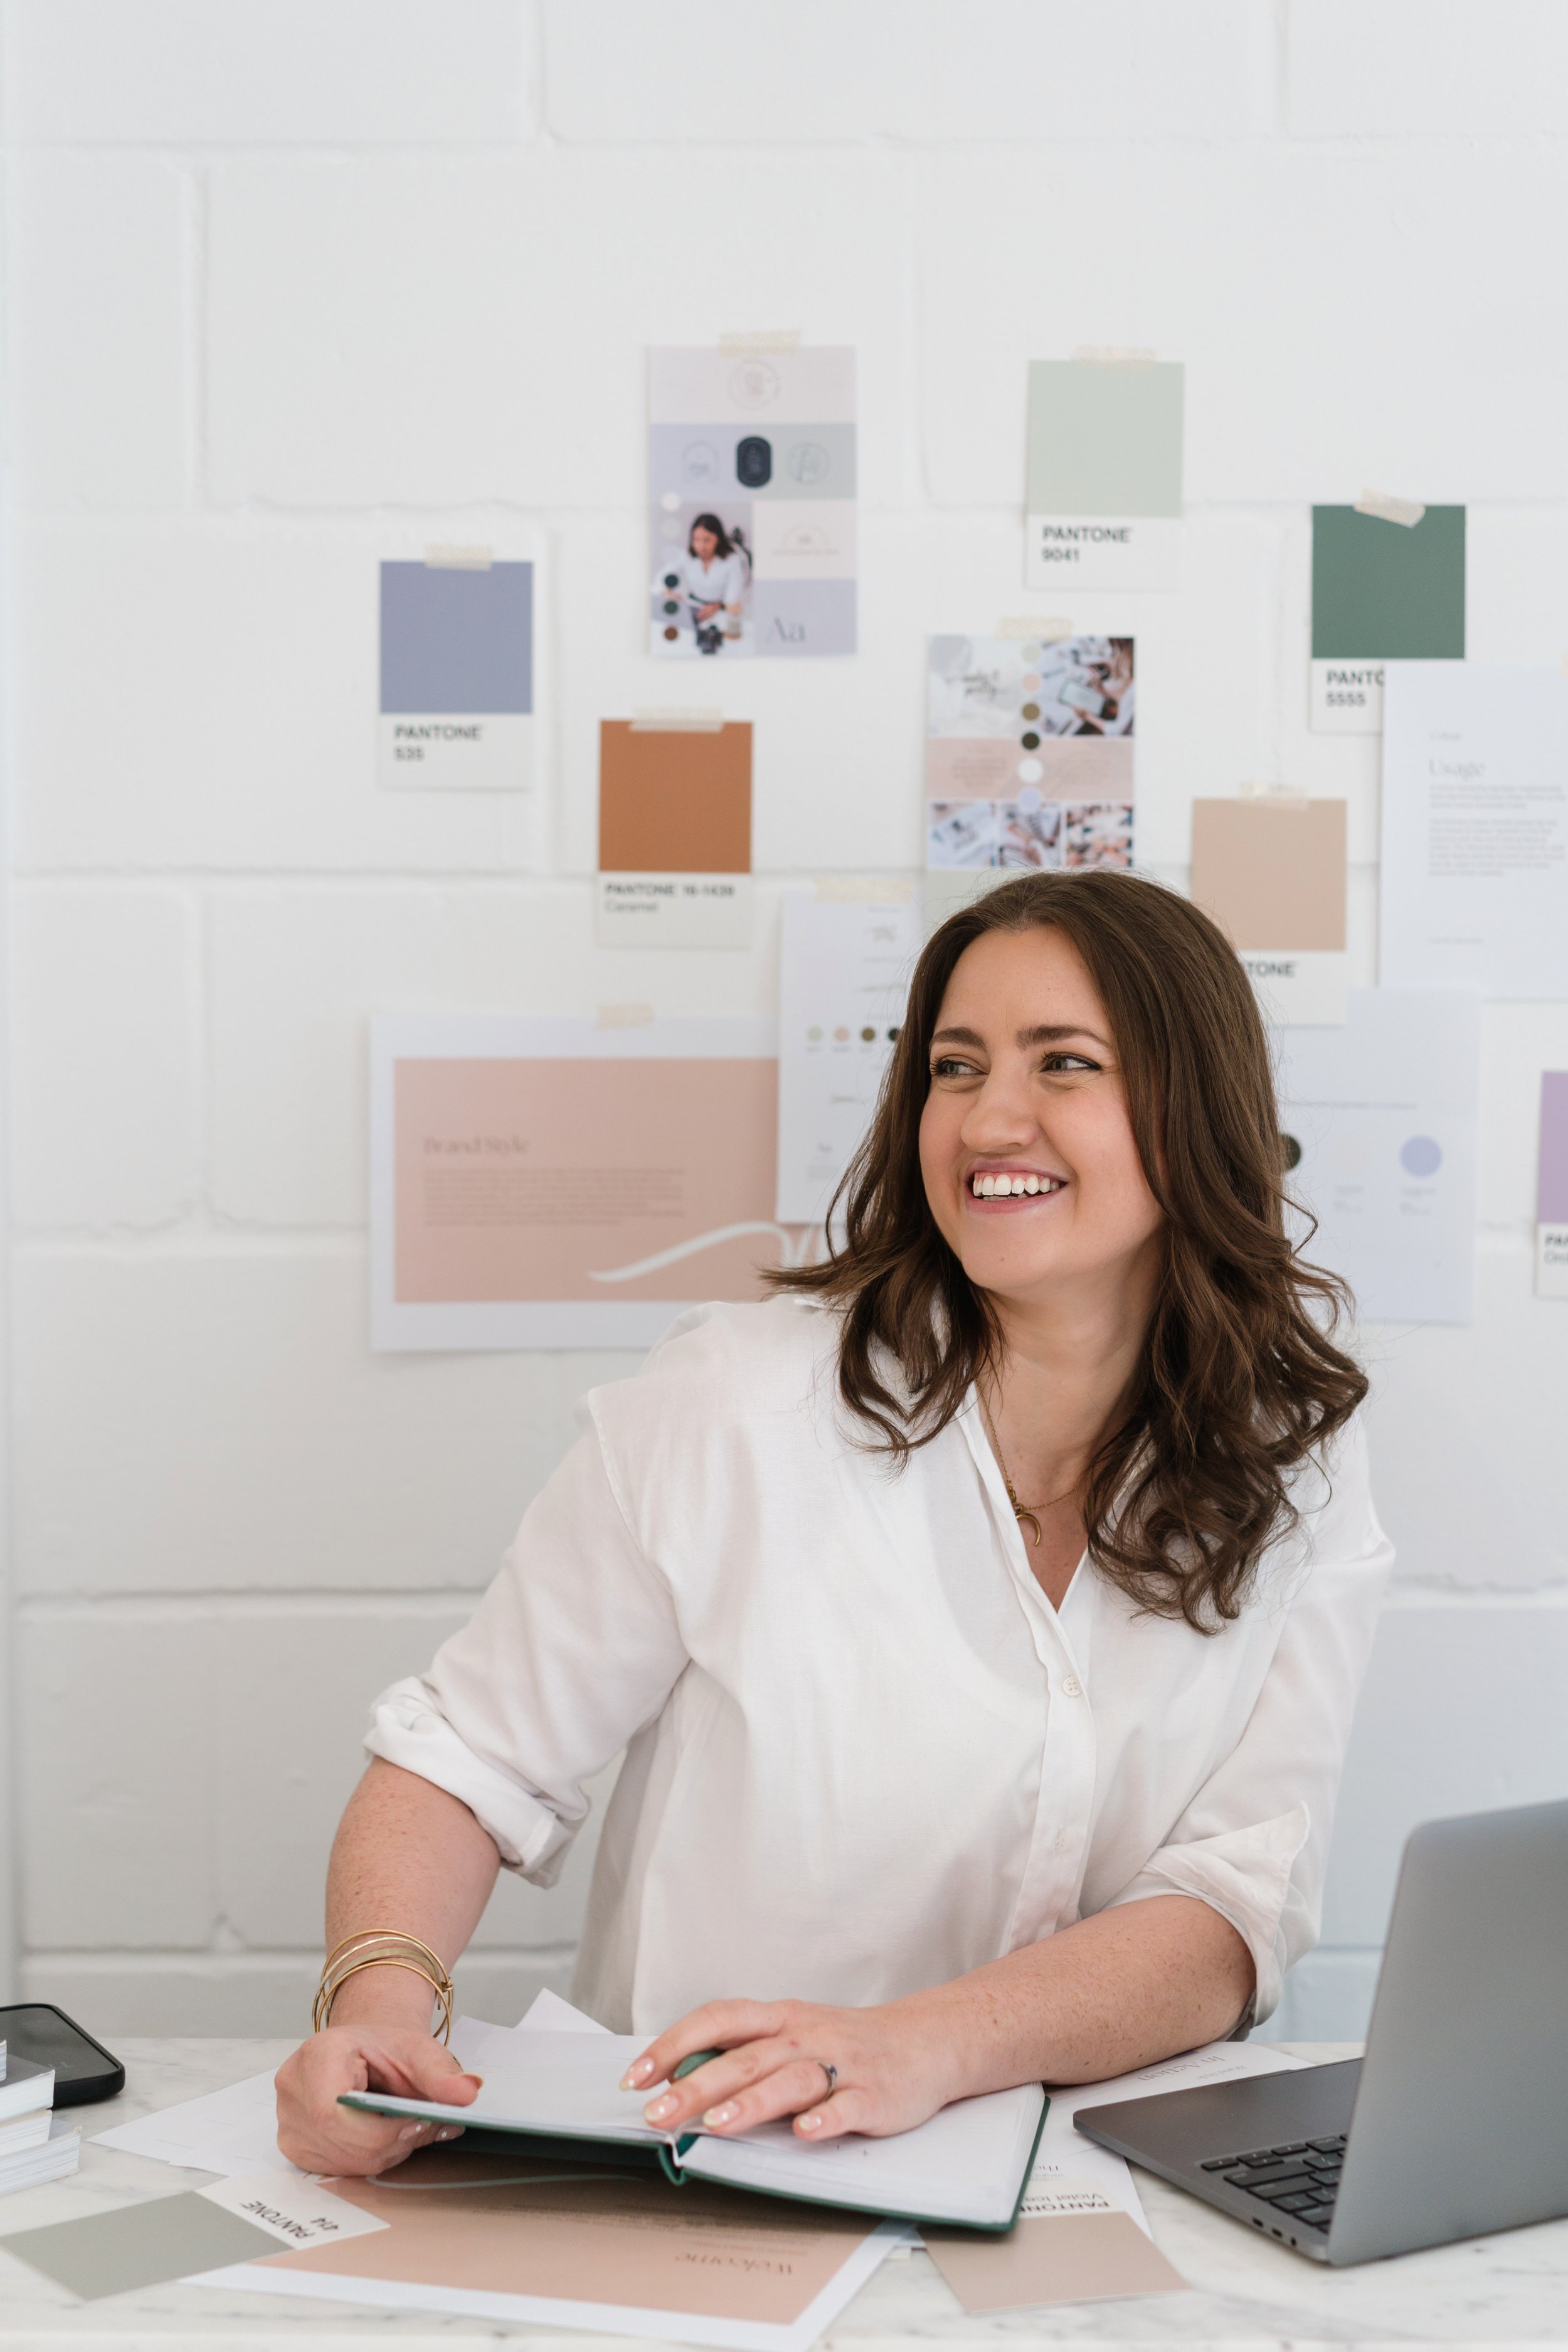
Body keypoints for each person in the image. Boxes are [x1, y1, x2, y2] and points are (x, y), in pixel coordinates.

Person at [277, 871, 1391, 2178]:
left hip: (1088, 2181)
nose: (990, 1119)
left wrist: (918, 2046)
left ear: (1192, 1110)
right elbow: (465, 1761)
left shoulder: (1293, 1458)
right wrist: (379, 2007)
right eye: (954, 1067)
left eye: (1064, 1064)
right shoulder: (735, 1405)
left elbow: (1228, 1908)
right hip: (722, 2171)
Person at [654, 512, 748, 653]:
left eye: (707, 540)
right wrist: (666, 590)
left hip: (720, 607)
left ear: (718, 539)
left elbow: (734, 596)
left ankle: (738, 541)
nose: (701, 546)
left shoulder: (732, 560)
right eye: (696, 540)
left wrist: (718, 606)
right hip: (695, 604)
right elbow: (664, 575)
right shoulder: (687, 555)